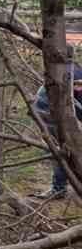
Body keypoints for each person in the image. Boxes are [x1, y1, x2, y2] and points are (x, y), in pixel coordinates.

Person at [34, 45, 82, 200]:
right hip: (52, 113)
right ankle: (60, 187)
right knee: (61, 150)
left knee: (63, 150)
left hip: (59, 112)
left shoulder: (70, 70)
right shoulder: (69, 71)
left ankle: (62, 186)